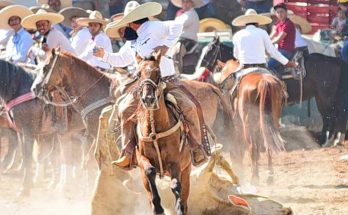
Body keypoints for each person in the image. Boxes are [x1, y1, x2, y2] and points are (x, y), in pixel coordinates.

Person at [104, 2, 207, 169]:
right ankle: (128, 151)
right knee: (124, 110)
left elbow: (177, 26)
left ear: (132, 22)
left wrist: (166, 45)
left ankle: (196, 146)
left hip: (167, 81)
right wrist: (105, 55)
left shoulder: (153, 26)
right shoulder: (133, 42)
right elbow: (121, 59)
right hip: (145, 85)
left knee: (188, 107)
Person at [232, 9, 296, 71]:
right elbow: (272, 52)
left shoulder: (237, 35)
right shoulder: (263, 32)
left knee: (234, 79)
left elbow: (236, 55)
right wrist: (287, 63)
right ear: (257, 23)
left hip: (244, 66)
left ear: (245, 23)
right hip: (261, 66)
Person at [172, 0, 201, 73]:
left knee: (176, 53)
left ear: (192, 3)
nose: (185, 4)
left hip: (187, 42)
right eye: (183, 2)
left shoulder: (191, 14)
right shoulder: (184, 14)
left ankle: (178, 73)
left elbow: (178, 25)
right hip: (180, 40)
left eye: (187, 2)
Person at [268, 3, 296, 74]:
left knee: (268, 65)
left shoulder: (288, 24)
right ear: (276, 14)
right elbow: (272, 36)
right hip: (280, 50)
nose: (280, 14)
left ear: (286, 12)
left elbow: (279, 39)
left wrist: (267, 43)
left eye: (281, 12)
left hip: (286, 51)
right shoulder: (278, 24)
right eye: (278, 12)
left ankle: (276, 81)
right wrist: (264, 41)